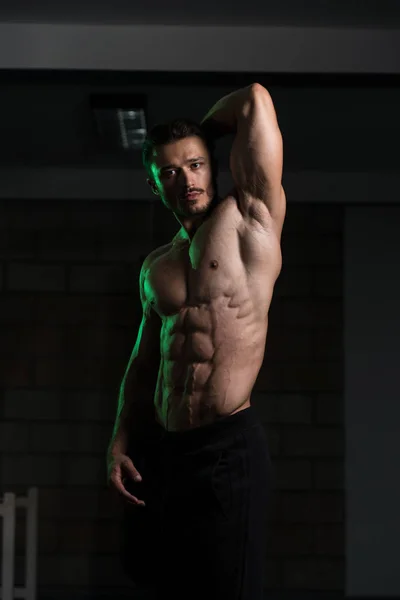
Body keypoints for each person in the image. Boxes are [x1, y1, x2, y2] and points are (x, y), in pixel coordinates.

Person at [107, 83, 286, 600]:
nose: (184, 179)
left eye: (195, 165)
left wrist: (199, 135)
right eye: (169, 172)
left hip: (226, 449)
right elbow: (144, 363)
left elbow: (253, 98)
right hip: (164, 451)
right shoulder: (156, 266)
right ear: (153, 185)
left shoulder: (251, 220)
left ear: (214, 165)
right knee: (161, 583)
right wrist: (120, 442)